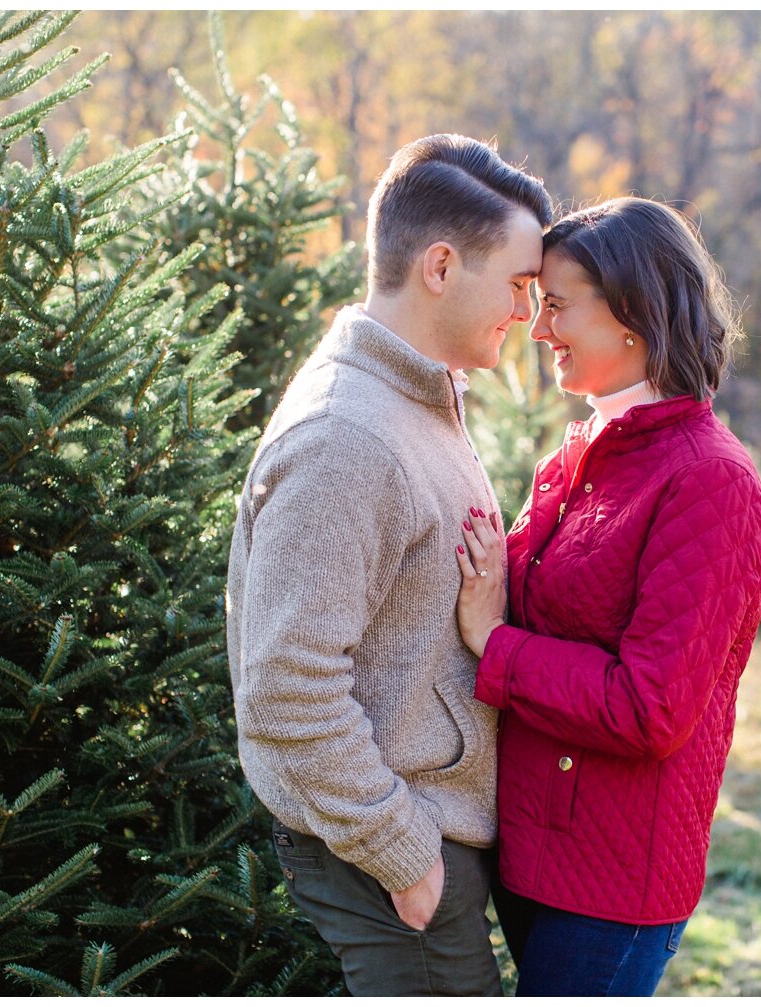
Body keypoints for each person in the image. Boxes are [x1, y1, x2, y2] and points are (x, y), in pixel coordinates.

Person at [225, 133, 551, 995]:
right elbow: (286, 687)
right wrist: (405, 857)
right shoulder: (345, 436)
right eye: (519, 284)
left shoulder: (416, 397)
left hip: (425, 833)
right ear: (440, 266)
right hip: (391, 851)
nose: (528, 313)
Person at [453, 197, 761, 996]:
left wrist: (496, 644)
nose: (538, 329)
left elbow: (649, 707)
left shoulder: (711, 482)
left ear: (632, 312)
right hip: (531, 849)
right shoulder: (579, 454)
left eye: (557, 305)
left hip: (612, 885)